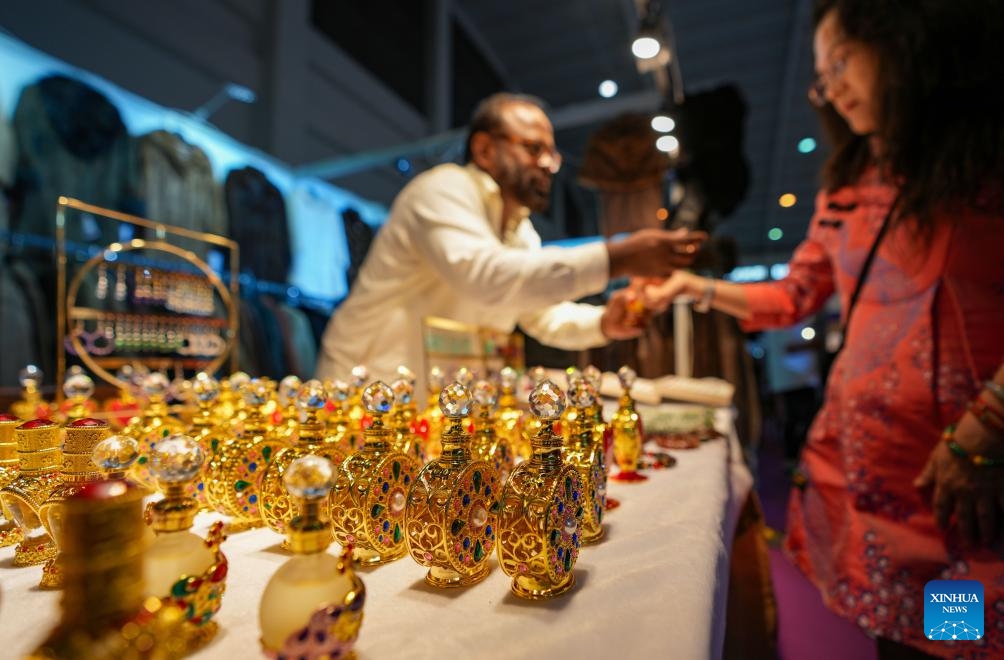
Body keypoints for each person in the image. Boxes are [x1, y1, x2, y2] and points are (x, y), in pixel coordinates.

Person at [643, 1, 1004, 657]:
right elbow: (796, 292)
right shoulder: (850, 181)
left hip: (960, 495)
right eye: (821, 76)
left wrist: (990, 422)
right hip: (876, 493)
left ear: (909, 45)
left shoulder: (984, 159)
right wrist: (698, 288)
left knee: (956, 638)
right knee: (898, 640)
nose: (832, 87)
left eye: (841, 62)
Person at [315, 92, 705, 390]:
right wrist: (617, 258)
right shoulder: (441, 189)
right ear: (484, 149)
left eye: (552, 155)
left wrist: (604, 321)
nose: (548, 165)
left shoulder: (518, 228)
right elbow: (487, 277)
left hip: (442, 399)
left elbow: (539, 312)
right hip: (369, 389)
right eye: (534, 148)